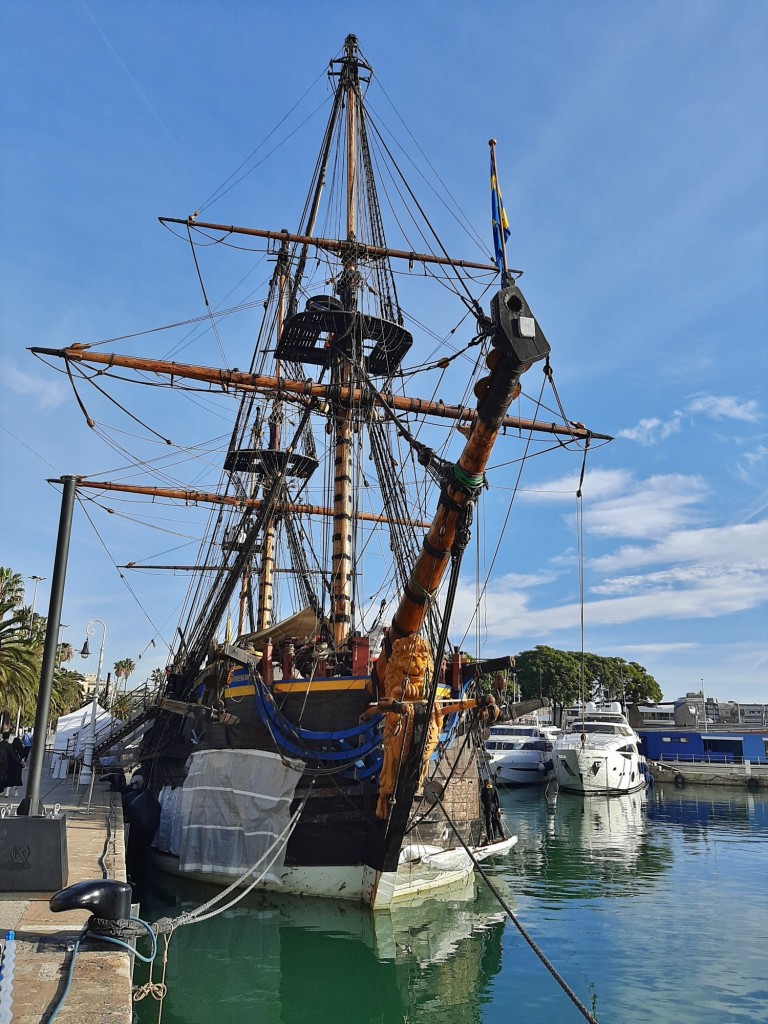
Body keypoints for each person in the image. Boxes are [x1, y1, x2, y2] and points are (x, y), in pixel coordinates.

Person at [481, 778, 505, 842]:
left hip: (490, 808)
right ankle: (495, 837)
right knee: (494, 822)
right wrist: (498, 807)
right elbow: (497, 798)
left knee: (492, 822)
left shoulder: (486, 789)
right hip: (492, 807)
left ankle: (492, 838)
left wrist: (498, 808)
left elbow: (483, 799)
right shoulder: (492, 788)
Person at [2, 732, 24, 797]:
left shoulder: (11, 747)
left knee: (9, 778)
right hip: (18, 766)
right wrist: (21, 762)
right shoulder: (21, 749)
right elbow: (21, 757)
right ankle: (16, 791)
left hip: (10, 765)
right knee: (16, 779)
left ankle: (7, 792)